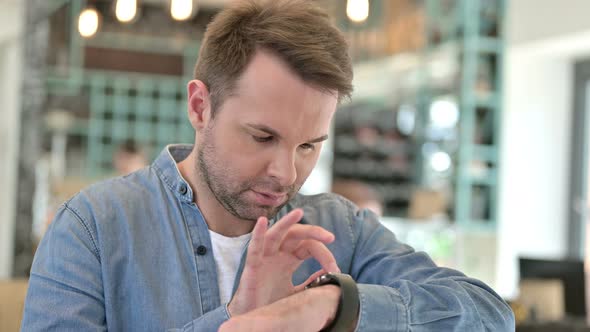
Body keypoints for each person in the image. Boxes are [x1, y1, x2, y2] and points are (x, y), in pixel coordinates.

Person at [21, 0, 515, 331]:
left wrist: (334, 304)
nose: (286, 172)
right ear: (200, 107)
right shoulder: (93, 229)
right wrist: (237, 322)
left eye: (309, 145)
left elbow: (492, 317)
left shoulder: (341, 230)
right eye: (263, 136)